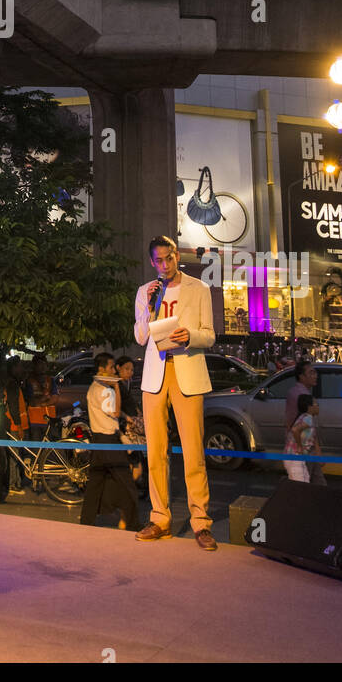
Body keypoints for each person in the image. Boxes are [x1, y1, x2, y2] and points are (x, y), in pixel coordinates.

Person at [134, 235, 218, 550]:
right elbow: (141, 336)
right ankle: (160, 519)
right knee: (156, 452)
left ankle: (201, 523)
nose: (165, 265)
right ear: (152, 262)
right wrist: (149, 308)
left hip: (187, 372)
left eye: (169, 258)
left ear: (176, 256)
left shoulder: (199, 289)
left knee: (193, 452)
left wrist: (190, 336)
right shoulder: (145, 292)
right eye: (159, 260)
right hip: (155, 376)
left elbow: (209, 336)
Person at [80, 353, 139, 530]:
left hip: (99, 438)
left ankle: (86, 521)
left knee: (95, 484)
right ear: (102, 369)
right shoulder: (106, 389)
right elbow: (114, 412)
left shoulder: (94, 387)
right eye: (112, 367)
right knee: (127, 483)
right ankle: (133, 523)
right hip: (108, 440)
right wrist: (117, 388)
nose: (114, 370)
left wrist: (126, 417)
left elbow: (112, 412)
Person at [284, 360, 325, 485]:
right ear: (301, 376)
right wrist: (302, 447)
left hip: (306, 448)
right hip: (301, 451)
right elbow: (293, 425)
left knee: (317, 483)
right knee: (306, 485)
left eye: (315, 372)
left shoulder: (303, 393)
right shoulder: (299, 395)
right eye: (311, 373)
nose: (315, 375)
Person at [115, 355, 144, 484]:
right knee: (135, 463)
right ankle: (127, 490)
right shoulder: (116, 386)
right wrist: (128, 419)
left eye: (132, 370)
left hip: (132, 426)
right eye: (127, 369)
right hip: (127, 428)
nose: (130, 372)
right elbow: (116, 408)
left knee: (136, 462)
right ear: (118, 368)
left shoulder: (125, 384)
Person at [3, 357, 29, 495]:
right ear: (13, 368)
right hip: (14, 426)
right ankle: (13, 484)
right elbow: (13, 407)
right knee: (15, 456)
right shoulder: (12, 384)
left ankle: (15, 481)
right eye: (19, 366)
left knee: (16, 454)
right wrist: (19, 426)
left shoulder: (14, 383)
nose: (22, 369)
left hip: (15, 425)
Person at [284, 393, 320, 482]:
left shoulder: (302, 417)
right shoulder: (308, 418)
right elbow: (295, 430)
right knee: (302, 487)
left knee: (299, 486)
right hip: (296, 458)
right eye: (316, 404)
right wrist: (300, 446)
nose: (318, 406)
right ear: (309, 407)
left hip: (291, 456)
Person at [25, 353, 55, 440]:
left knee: (50, 450)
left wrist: (42, 404)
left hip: (49, 421)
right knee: (36, 450)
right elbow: (31, 402)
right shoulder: (29, 381)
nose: (42, 367)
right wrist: (45, 399)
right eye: (39, 364)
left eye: (44, 364)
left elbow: (55, 398)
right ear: (34, 366)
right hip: (35, 422)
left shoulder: (51, 380)